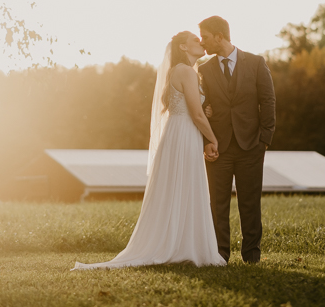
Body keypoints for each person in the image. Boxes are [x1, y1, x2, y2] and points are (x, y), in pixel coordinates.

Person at [72, 31, 226, 270]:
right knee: (185, 185)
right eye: (196, 40)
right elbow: (195, 113)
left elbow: (194, 109)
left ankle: (179, 243)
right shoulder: (185, 71)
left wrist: (206, 113)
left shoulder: (181, 71)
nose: (201, 42)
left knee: (180, 187)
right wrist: (212, 138)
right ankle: (180, 246)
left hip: (179, 132)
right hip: (184, 133)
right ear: (183, 47)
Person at [198, 16, 276, 264]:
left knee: (250, 203)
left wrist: (265, 138)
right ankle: (220, 255)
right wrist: (206, 136)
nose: (202, 42)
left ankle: (251, 255)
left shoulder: (255, 63)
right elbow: (202, 105)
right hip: (218, 148)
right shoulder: (204, 69)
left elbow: (268, 101)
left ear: (219, 37)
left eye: (205, 37)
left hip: (251, 146)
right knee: (217, 204)